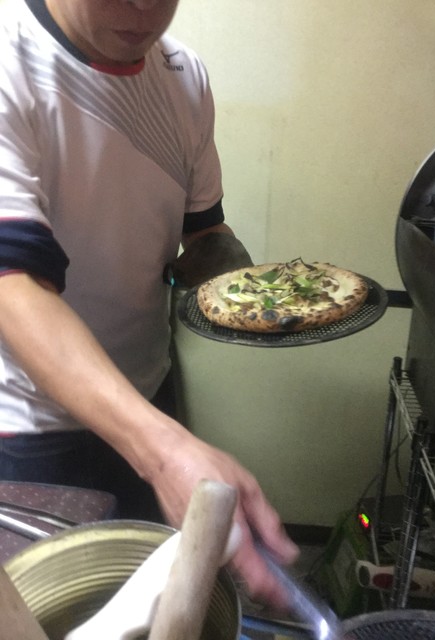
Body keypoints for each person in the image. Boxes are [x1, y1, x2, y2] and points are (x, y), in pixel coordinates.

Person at [0, 0, 298, 608]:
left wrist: (256, 293)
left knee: (148, 604)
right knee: (48, 614)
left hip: (150, 391)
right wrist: (163, 455)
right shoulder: (11, 61)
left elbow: (203, 229)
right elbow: (12, 283)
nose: (143, 7)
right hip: (30, 427)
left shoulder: (185, 75)